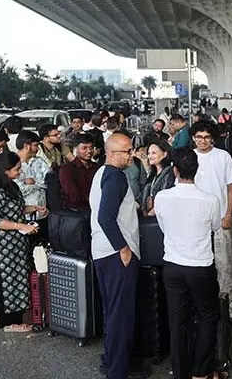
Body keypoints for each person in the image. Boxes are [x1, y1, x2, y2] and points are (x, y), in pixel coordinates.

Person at [153, 148, 224, 379]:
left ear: (174, 170)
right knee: (207, 315)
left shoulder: (162, 198)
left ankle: (180, 372)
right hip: (201, 266)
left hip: (172, 265)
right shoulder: (210, 200)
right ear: (197, 170)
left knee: (177, 320)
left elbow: (162, 226)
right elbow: (215, 227)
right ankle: (201, 371)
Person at [90, 133, 143, 379]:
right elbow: (105, 217)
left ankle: (111, 361)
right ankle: (118, 371)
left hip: (102, 251)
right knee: (121, 315)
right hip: (116, 254)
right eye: (127, 151)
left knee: (113, 312)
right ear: (112, 153)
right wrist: (123, 247)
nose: (131, 154)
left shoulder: (101, 173)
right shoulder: (116, 178)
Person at [0, 151, 46, 331]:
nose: (19, 172)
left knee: (16, 281)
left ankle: (3, 314)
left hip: (15, 244)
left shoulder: (11, 186)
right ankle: (10, 323)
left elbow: (16, 208)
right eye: (16, 169)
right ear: (5, 171)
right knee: (7, 283)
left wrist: (34, 208)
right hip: (2, 246)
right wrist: (21, 227)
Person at [192, 120, 232, 324]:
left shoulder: (223, 156)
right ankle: (203, 306)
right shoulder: (188, 158)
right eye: (198, 137)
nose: (202, 141)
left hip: (220, 219)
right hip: (195, 222)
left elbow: (231, 187)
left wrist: (229, 213)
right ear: (194, 138)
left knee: (225, 264)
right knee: (199, 266)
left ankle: (231, 307)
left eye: (206, 137)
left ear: (212, 138)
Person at [58, 133, 99, 211]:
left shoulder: (97, 167)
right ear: (75, 149)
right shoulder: (67, 169)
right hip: (76, 213)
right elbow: (74, 196)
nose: (89, 151)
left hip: (96, 209)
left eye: (91, 148)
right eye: (84, 148)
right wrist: (95, 198)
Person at [13, 131, 50, 207]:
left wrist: (33, 182)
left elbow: (49, 182)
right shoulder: (12, 163)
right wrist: (38, 184)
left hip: (41, 211)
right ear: (26, 146)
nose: (37, 149)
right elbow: (18, 190)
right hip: (22, 212)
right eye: (36, 145)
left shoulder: (39, 161)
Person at [141, 141, 175, 216]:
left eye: (154, 153)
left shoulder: (169, 173)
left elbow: (165, 200)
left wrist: (149, 215)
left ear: (165, 154)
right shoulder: (153, 174)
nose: (149, 156)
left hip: (161, 218)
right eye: (149, 153)